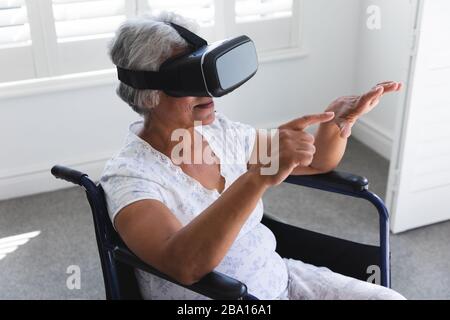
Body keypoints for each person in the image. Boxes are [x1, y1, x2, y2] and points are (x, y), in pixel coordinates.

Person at [101, 12, 405, 300]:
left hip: (279, 278)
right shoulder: (131, 176)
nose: (209, 93)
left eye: (205, 73)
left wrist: (338, 125)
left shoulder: (221, 134)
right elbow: (184, 265)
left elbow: (315, 161)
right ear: (148, 94)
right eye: (189, 80)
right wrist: (257, 176)